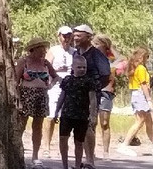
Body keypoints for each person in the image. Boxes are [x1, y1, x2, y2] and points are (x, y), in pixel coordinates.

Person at [72, 23, 111, 169]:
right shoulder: (76, 53)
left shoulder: (96, 54)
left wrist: (94, 88)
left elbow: (105, 75)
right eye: (75, 35)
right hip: (76, 95)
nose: (75, 38)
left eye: (79, 35)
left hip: (91, 95)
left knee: (89, 125)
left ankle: (90, 160)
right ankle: (80, 161)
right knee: (78, 125)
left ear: (88, 37)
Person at [16, 36, 59, 167]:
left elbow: (55, 76)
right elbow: (15, 80)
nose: (44, 51)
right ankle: (18, 152)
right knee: (21, 124)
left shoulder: (45, 63)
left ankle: (35, 156)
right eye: (41, 49)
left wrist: (50, 85)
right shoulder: (24, 61)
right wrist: (17, 98)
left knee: (38, 126)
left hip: (41, 95)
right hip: (26, 95)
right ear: (34, 49)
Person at [56, 55, 100, 169]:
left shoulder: (89, 81)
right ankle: (64, 165)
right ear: (73, 67)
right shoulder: (67, 80)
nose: (82, 69)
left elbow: (93, 99)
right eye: (79, 67)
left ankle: (77, 165)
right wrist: (56, 111)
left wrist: (93, 115)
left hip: (82, 116)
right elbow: (62, 96)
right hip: (66, 114)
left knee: (79, 142)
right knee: (63, 139)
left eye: (84, 67)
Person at [118, 47, 153, 157]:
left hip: (136, 94)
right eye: (147, 57)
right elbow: (143, 85)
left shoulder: (135, 68)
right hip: (140, 94)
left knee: (149, 122)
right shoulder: (141, 68)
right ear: (142, 57)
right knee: (140, 121)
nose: (147, 59)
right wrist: (149, 99)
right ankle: (124, 144)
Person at [47, 25, 75, 154]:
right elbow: (46, 66)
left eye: (69, 36)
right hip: (55, 86)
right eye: (64, 36)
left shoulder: (74, 52)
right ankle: (46, 146)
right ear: (59, 36)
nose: (66, 38)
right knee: (51, 115)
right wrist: (56, 71)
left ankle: (64, 147)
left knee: (67, 116)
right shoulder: (53, 50)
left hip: (70, 86)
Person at [91, 34, 116, 159]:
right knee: (92, 122)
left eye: (98, 44)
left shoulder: (111, 59)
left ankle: (106, 152)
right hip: (94, 91)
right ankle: (91, 151)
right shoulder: (91, 58)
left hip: (106, 92)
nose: (95, 47)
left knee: (105, 122)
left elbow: (119, 64)